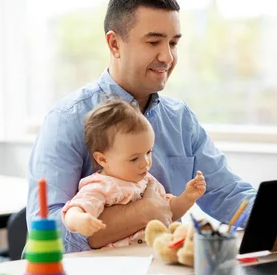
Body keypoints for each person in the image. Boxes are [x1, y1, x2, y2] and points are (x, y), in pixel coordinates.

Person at [27, 0, 277, 253]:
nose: (167, 57)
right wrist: (144, 211)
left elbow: (226, 193)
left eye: (173, 43)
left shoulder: (179, 119)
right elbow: (50, 234)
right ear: (114, 43)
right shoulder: (67, 120)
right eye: (154, 42)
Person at [61, 98, 206, 247]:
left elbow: (167, 213)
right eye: (134, 158)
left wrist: (187, 198)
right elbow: (75, 209)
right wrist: (79, 220)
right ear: (102, 159)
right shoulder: (102, 185)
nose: (145, 162)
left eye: (148, 152)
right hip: (118, 263)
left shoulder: (147, 181)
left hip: (150, 259)